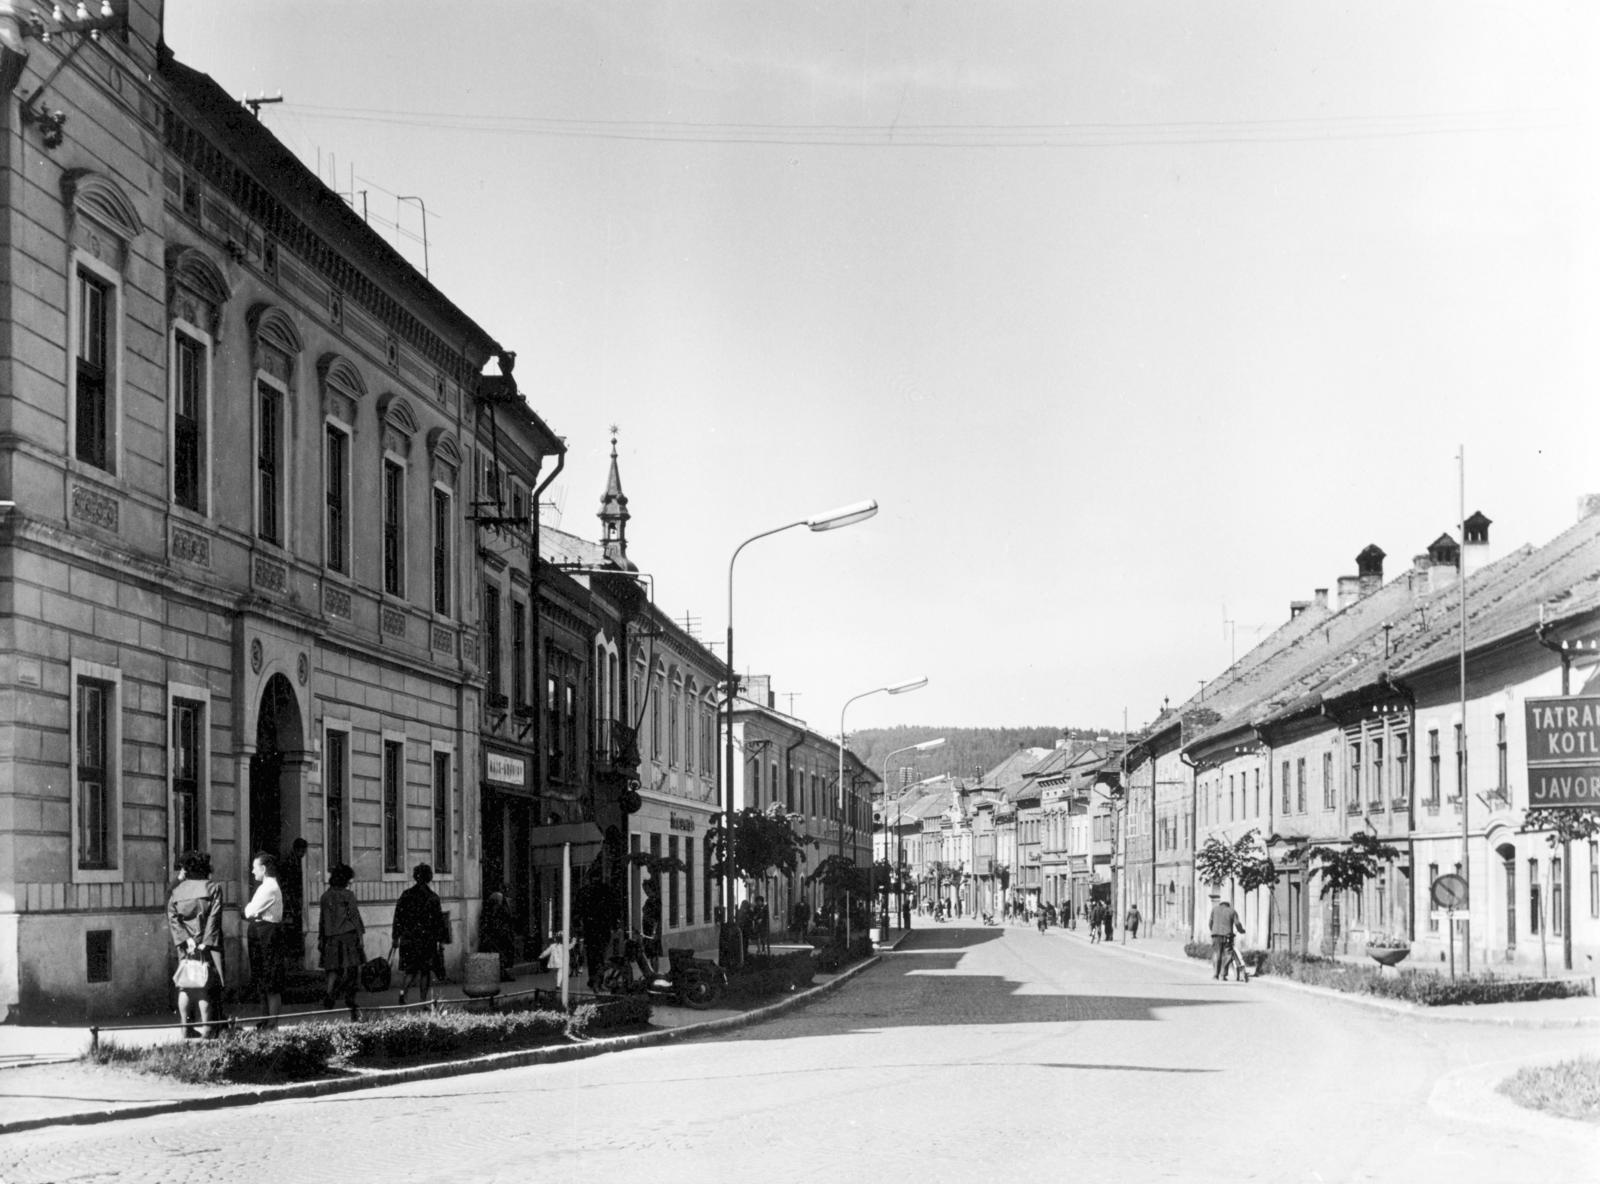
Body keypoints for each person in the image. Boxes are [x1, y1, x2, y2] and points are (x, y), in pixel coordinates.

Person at [167, 850, 223, 1038]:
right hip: (206, 944)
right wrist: (205, 942)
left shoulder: (177, 891)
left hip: (185, 945)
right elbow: (214, 918)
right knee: (205, 986)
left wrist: (185, 939)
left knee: (185, 985)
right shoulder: (212, 888)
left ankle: (185, 1028)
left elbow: (173, 918)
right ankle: (208, 1028)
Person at [393, 862, 447, 1004]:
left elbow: (398, 917)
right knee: (425, 972)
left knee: (410, 971)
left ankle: (403, 994)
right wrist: (441, 941)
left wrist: (395, 937)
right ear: (429, 877)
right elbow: (439, 921)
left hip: (409, 938)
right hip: (427, 940)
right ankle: (423, 1001)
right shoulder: (433, 897)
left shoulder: (406, 895)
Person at [242, 851, 284, 1028]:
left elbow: (249, 911)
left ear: (263, 869)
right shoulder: (265, 887)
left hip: (266, 933)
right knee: (262, 978)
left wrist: (250, 909)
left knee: (270, 978)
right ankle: (266, 1018)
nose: (252, 872)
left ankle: (271, 1021)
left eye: (254, 868)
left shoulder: (268, 888)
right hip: (261, 933)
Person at [318, 862, 364, 1015]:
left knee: (332, 969)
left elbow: (322, 920)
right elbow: (354, 917)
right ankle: (350, 998)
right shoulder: (348, 895)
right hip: (348, 935)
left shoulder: (325, 896)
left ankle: (329, 993)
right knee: (352, 968)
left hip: (330, 937)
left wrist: (321, 938)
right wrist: (360, 937)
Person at [577, 871, 618, 992]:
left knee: (591, 956)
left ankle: (592, 979)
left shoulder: (584, 891)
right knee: (600, 956)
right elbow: (614, 908)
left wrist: (578, 925)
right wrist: (614, 925)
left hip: (590, 928)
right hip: (603, 928)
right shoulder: (607, 890)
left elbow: (577, 910)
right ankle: (597, 981)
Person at [279, 837, 308, 968]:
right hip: (290, 905)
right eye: (303, 851)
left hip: (293, 904)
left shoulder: (294, 861)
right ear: (298, 850)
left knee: (294, 932)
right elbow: (288, 885)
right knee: (291, 933)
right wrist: (291, 903)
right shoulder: (290, 862)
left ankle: (293, 961)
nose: (304, 854)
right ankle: (291, 962)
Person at [479, 890, 516, 982]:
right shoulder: (499, 909)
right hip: (500, 935)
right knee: (502, 955)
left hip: (499, 935)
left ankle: (502, 973)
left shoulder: (491, 909)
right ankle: (502, 974)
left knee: (501, 955)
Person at [1208, 893, 1245, 980]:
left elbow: (1210, 922)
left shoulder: (1214, 909)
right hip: (1227, 936)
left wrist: (1213, 930)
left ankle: (1215, 974)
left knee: (1216, 953)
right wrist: (1241, 930)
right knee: (1227, 954)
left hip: (1215, 935)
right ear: (1228, 904)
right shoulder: (1232, 911)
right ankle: (1222, 974)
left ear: (1221, 903)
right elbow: (1237, 923)